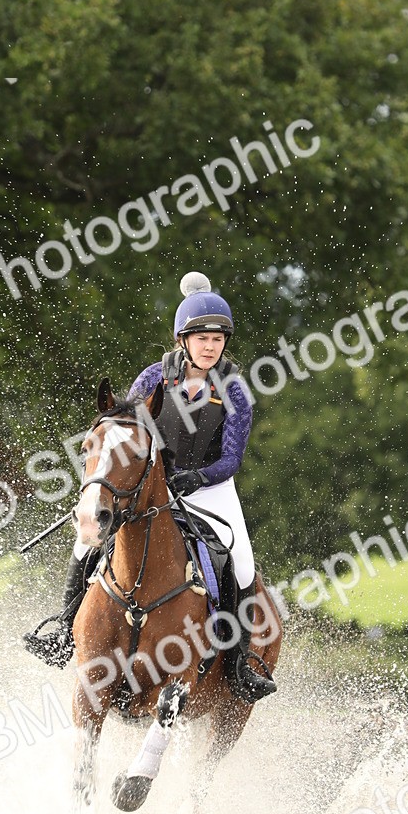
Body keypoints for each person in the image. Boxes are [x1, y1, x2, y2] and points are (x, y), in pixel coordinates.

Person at [23, 271, 277, 701]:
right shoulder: (153, 379)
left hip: (210, 488)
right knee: (87, 541)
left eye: (218, 339)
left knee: (243, 563)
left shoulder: (234, 389)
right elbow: (125, 430)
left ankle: (238, 665)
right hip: (150, 486)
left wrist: (195, 477)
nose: (211, 346)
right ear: (183, 340)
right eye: (202, 338)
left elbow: (231, 458)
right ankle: (63, 631)